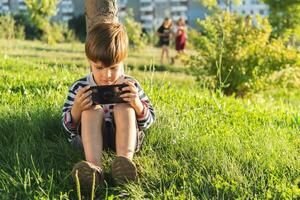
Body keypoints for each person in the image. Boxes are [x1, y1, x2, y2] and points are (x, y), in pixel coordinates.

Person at [61, 22, 155, 192]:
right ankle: (94, 168)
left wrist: (138, 106)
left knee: (124, 108)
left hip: (126, 137)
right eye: (99, 68)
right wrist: (76, 110)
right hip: (91, 140)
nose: (107, 75)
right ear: (89, 61)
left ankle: (124, 163)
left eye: (114, 68)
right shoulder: (80, 87)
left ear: (123, 61)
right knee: (91, 111)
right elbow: (67, 128)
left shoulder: (129, 85)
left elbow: (149, 121)